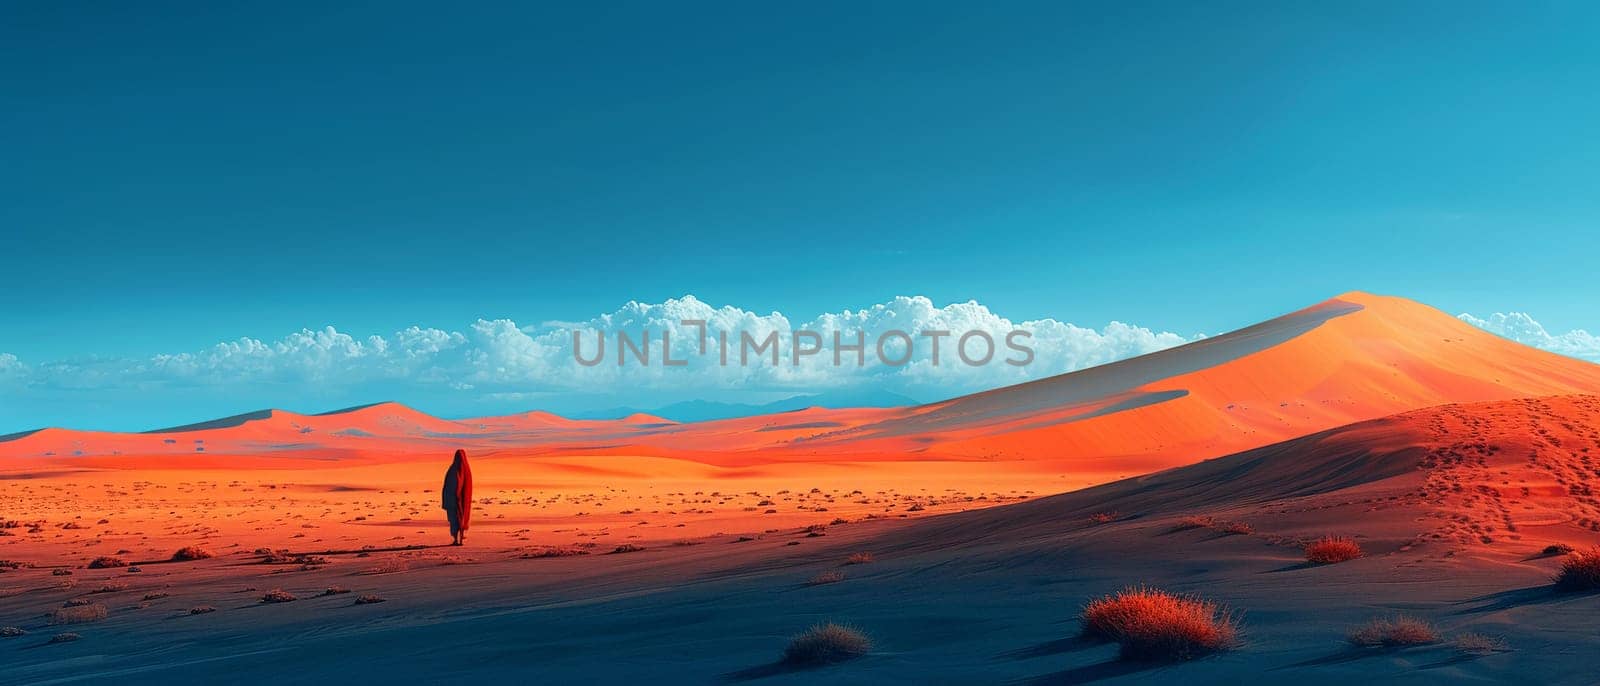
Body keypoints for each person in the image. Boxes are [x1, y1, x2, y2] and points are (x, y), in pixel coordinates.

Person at [441, 449, 473, 546]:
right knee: (461, 518)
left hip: (454, 500)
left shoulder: (453, 469)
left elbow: (449, 486)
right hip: (461, 501)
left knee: (454, 520)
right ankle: (460, 539)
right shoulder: (466, 469)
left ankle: (456, 539)